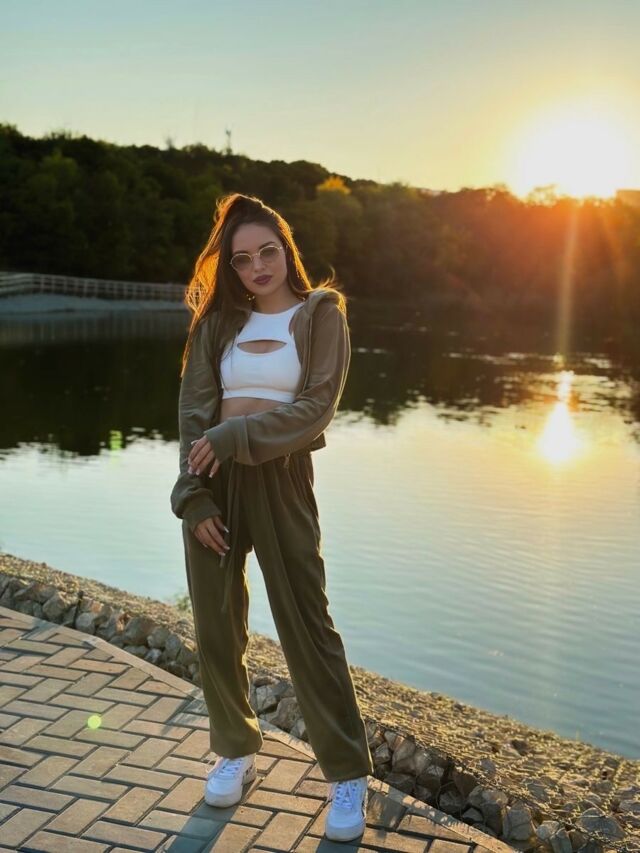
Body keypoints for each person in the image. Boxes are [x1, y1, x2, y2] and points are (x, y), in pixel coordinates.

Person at [170, 192, 374, 842]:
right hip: (213, 478)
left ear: (286, 250)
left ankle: (347, 772)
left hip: (281, 480)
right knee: (215, 623)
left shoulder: (320, 314)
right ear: (229, 267)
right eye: (242, 259)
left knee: (307, 625)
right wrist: (192, 495)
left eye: (267, 252)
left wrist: (237, 435)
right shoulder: (216, 325)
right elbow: (194, 414)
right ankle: (235, 747)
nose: (257, 267)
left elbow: (316, 408)